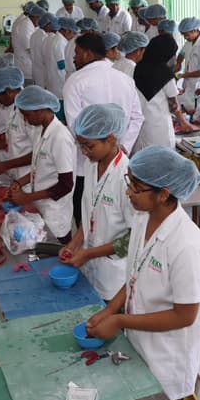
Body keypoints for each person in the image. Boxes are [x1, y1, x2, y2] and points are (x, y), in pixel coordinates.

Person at [86, 146, 200, 400]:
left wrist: (119, 320)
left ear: (164, 194)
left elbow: (185, 315)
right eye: (129, 182)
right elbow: (134, 275)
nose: (128, 192)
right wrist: (110, 309)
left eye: (136, 187)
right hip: (140, 344)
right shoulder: (143, 218)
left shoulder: (186, 245)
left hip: (167, 360)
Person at [64, 32, 145, 225]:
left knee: (87, 215)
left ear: (86, 53)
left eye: (76, 53)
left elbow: (75, 126)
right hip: (120, 157)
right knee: (120, 216)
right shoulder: (124, 78)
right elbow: (137, 117)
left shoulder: (76, 81)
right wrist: (123, 146)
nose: (74, 58)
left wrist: (92, 148)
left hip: (88, 162)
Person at [60, 104, 136, 301]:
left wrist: (89, 253)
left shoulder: (127, 178)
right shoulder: (91, 164)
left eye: (89, 146)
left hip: (115, 277)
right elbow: (90, 214)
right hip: (90, 268)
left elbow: (135, 237)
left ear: (111, 139)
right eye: (81, 146)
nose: (84, 152)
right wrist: (74, 243)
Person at [7, 86, 75, 243]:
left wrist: (27, 197)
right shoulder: (40, 130)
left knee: (55, 252)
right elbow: (38, 168)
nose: (25, 120)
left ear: (41, 110)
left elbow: (66, 185)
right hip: (41, 206)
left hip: (55, 213)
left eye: (27, 115)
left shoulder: (60, 137)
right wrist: (19, 182)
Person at [133, 33, 194, 154]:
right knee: (162, 161)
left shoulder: (138, 67)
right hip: (159, 127)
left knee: (144, 161)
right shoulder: (165, 73)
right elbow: (174, 105)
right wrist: (183, 122)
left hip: (141, 125)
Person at [0, 67, 36, 180]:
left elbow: (38, 152)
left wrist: (5, 165)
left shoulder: (31, 112)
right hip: (15, 172)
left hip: (28, 176)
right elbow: (12, 137)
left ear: (9, 91)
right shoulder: (13, 106)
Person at [175, 17, 200, 112]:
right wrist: (178, 63)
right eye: (183, 35)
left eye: (186, 35)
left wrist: (184, 75)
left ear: (195, 30)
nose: (185, 38)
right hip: (189, 85)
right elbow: (182, 53)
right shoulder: (189, 41)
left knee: (198, 113)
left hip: (199, 87)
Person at [38, 14, 68, 117]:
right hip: (60, 83)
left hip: (51, 82)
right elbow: (61, 64)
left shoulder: (47, 40)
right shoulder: (59, 41)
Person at [31, 9, 53, 88]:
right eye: (52, 24)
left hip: (36, 70)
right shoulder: (44, 37)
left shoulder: (35, 34)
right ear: (47, 25)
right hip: (43, 72)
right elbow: (46, 57)